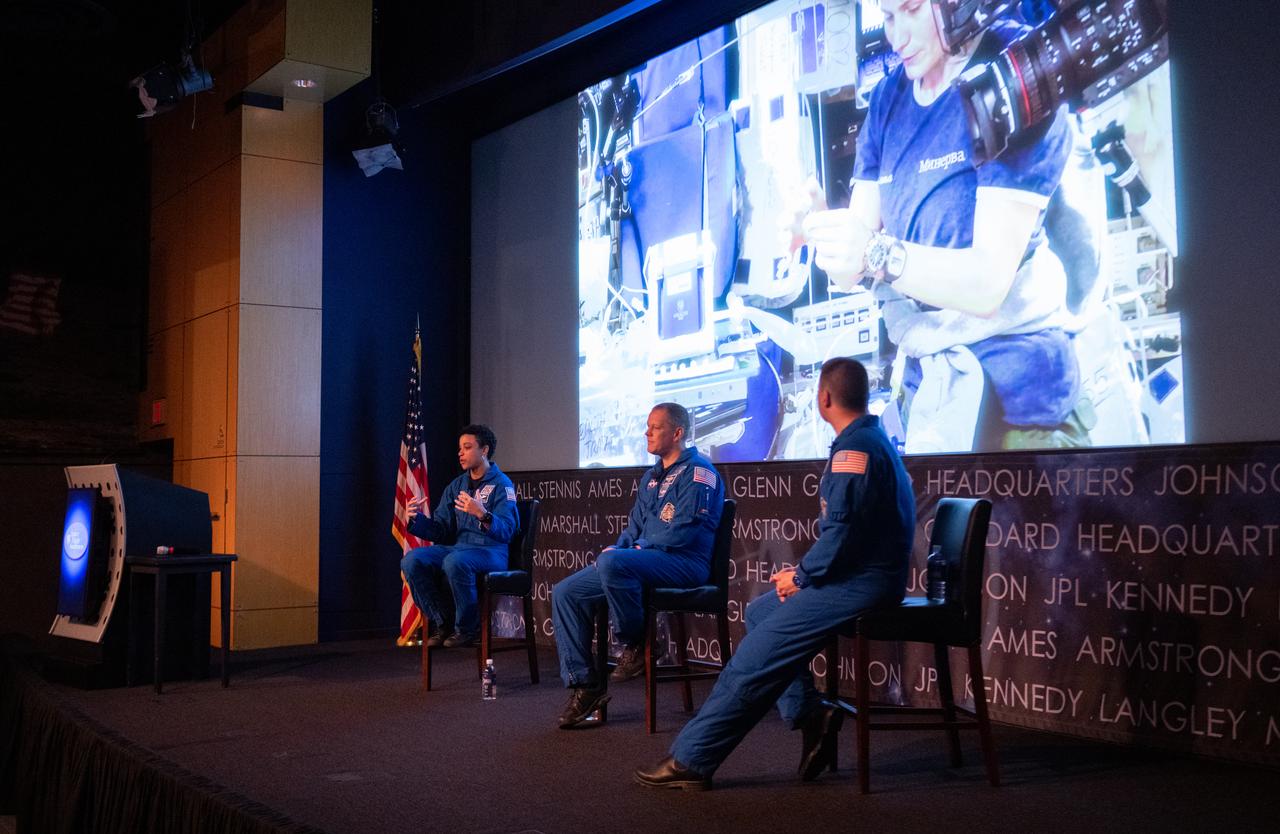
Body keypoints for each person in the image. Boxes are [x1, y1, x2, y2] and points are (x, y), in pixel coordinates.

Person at [803, 0, 1091, 453]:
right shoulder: (887, 100)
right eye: (889, 18)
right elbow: (851, 266)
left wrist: (875, 253)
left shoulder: (1014, 69)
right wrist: (822, 231)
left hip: (1020, 402)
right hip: (932, 396)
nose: (897, 38)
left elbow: (985, 283)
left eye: (912, 10)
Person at [635, 357, 914, 790]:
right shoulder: (869, 440)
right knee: (761, 613)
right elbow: (849, 534)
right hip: (862, 576)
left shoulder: (854, 450)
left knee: (751, 661)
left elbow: (842, 533)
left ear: (823, 399)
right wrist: (805, 574)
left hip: (862, 585)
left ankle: (692, 760)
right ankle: (811, 715)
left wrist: (801, 577)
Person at [552, 402, 724, 728]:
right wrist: (621, 547)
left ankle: (635, 641)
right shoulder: (651, 477)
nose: (647, 432)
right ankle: (585, 685)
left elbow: (683, 530)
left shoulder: (700, 472)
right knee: (566, 592)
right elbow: (634, 527)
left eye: (654, 427)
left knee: (615, 563)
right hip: (646, 561)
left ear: (677, 433)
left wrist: (631, 550)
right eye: (647, 426)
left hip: (684, 563)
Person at [401, 425, 519, 648]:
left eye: (467, 447)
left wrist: (482, 514)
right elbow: (442, 530)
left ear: (484, 450)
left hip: (491, 550)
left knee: (455, 561)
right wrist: (417, 520)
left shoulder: (502, 485)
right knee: (412, 559)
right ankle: (442, 621)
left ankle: (467, 628)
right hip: (459, 548)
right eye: (459, 448)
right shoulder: (457, 485)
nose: (460, 453)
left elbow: (508, 531)